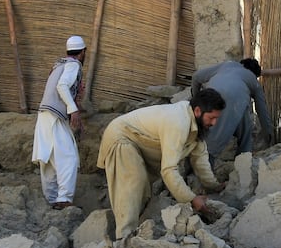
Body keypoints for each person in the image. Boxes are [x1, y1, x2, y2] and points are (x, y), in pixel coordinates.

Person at [97, 88, 227, 239]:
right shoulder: (178, 122)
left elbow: (201, 159)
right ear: (198, 111)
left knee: (144, 190)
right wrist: (191, 199)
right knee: (134, 183)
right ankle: (124, 238)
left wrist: (213, 185)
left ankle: (137, 229)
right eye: (212, 118)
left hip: (137, 143)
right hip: (122, 137)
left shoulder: (197, 127)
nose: (214, 123)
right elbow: (169, 170)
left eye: (217, 118)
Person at [32, 35, 87, 210]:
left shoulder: (59, 64)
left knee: (49, 159)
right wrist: (74, 110)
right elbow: (62, 87)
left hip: (45, 114)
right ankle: (63, 199)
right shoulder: (73, 65)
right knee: (68, 158)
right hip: (55, 115)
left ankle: (51, 199)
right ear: (83, 52)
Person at [191, 58, 273, 162]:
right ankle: (243, 164)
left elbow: (196, 77)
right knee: (244, 136)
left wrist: (196, 99)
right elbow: (262, 110)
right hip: (233, 103)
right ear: (255, 74)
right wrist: (268, 133)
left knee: (209, 139)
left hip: (210, 99)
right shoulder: (252, 79)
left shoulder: (226, 65)